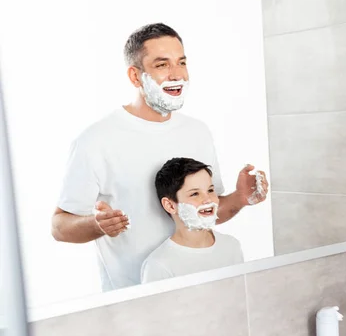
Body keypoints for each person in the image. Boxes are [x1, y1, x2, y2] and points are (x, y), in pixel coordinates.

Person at [52, 23, 268, 291]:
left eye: (181, 62)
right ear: (135, 76)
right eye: (162, 65)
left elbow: (202, 214)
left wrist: (239, 199)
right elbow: (59, 227)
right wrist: (97, 225)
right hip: (136, 302)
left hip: (203, 295)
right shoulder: (96, 141)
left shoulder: (197, 132)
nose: (176, 74)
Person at [141, 158, 244, 283]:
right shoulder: (159, 266)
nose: (208, 200)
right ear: (170, 206)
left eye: (210, 190)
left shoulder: (231, 246)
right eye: (195, 194)